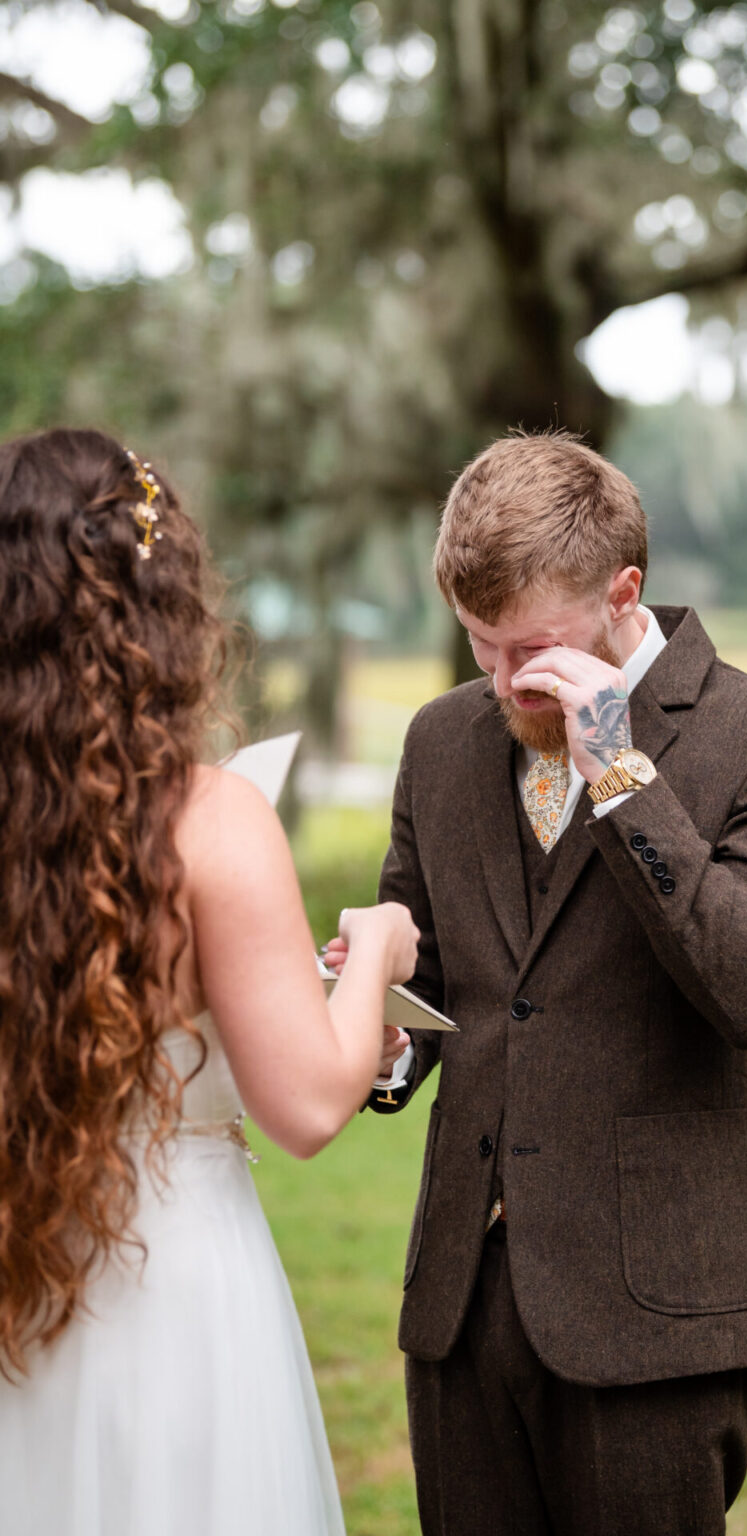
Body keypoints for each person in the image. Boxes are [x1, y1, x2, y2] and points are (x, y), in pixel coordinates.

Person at [328, 430, 747, 1536]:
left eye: (533, 647)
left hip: (657, 1313)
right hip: (461, 1305)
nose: (505, 678)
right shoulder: (439, 743)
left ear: (626, 591)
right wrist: (382, 1038)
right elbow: (439, 985)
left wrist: (619, 770)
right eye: (479, 644)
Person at [0, 428, 418, 1536]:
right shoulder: (210, 821)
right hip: (171, 1294)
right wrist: (375, 949)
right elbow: (310, 1103)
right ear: (162, 605)